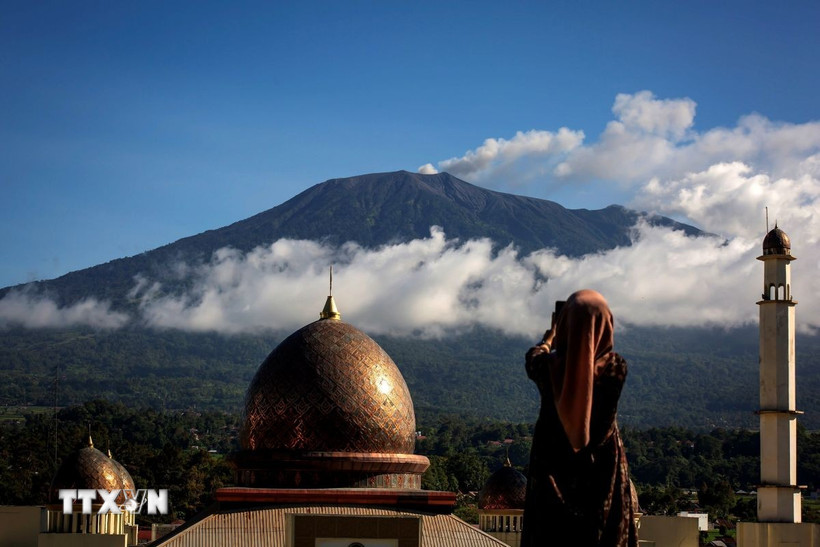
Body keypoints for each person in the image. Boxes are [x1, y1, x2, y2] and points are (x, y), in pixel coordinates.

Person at [522, 289, 637, 546]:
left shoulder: (546, 368)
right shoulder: (615, 369)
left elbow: (533, 357)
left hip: (552, 473)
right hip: (602, 472)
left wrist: (549, 338)